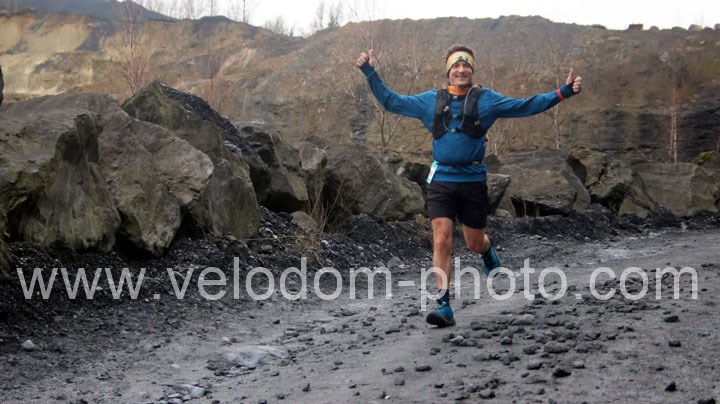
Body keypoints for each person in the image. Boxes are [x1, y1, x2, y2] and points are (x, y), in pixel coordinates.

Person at [355, 44, 583, 327]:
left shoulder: (487, 100)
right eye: (456, 66)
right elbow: (391, 101)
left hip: (473, 182)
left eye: (466, 66)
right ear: (448, 71)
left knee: (474, 243)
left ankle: (486, 249)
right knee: (441, 239)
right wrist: (369, 71)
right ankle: (443, 305)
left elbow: (526, 106)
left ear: (472, 70)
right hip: (441, 181)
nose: (461, 70)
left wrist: (563, 92)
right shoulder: (430, 101)